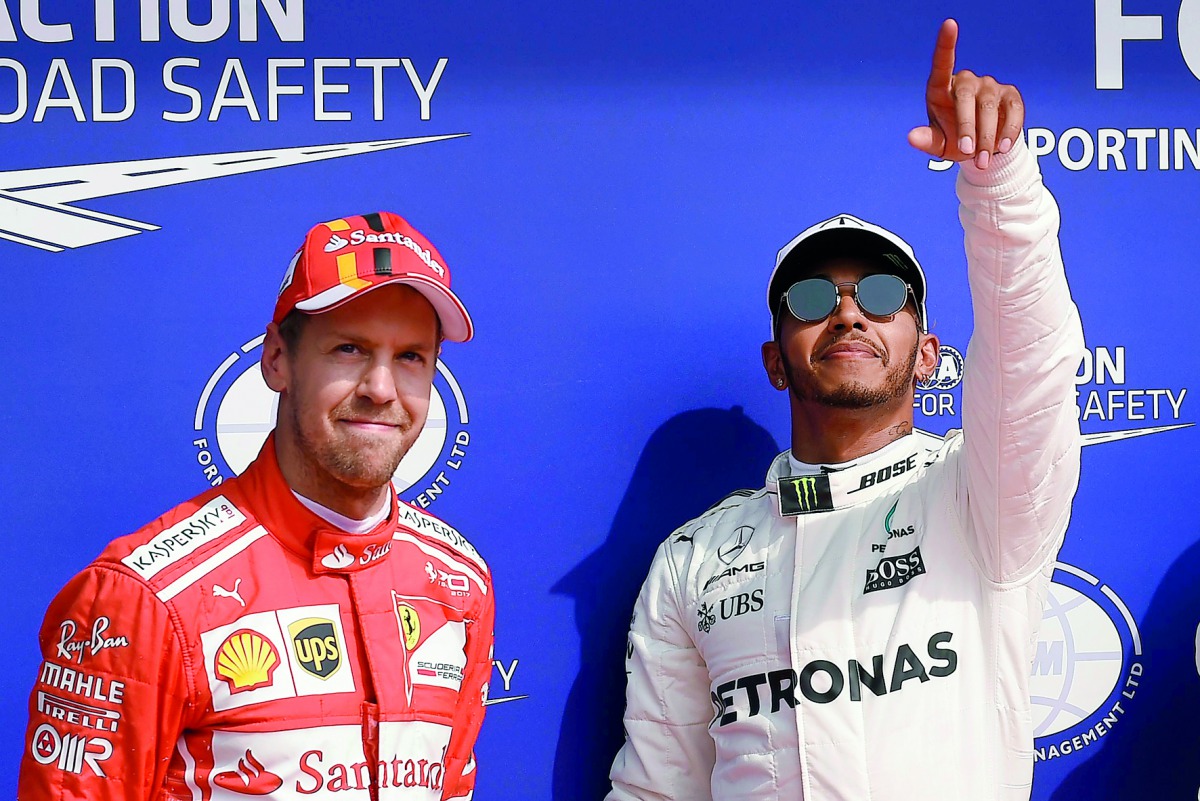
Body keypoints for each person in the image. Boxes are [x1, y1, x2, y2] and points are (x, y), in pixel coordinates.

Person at [608, 19, 1084, 801]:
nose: (850, 313)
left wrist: (997, 181)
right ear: (774, 360)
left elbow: (1032, 364)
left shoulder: (981, 499)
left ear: (928, 352)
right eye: (811, 297)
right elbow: (657, 790)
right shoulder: (694, 559)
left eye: (885, 295)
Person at [18, 212, 495, 800]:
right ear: (277, 360)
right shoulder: (145, 596)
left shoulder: (458, 581)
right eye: (349, 349)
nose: (381, 387)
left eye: (411, 357)